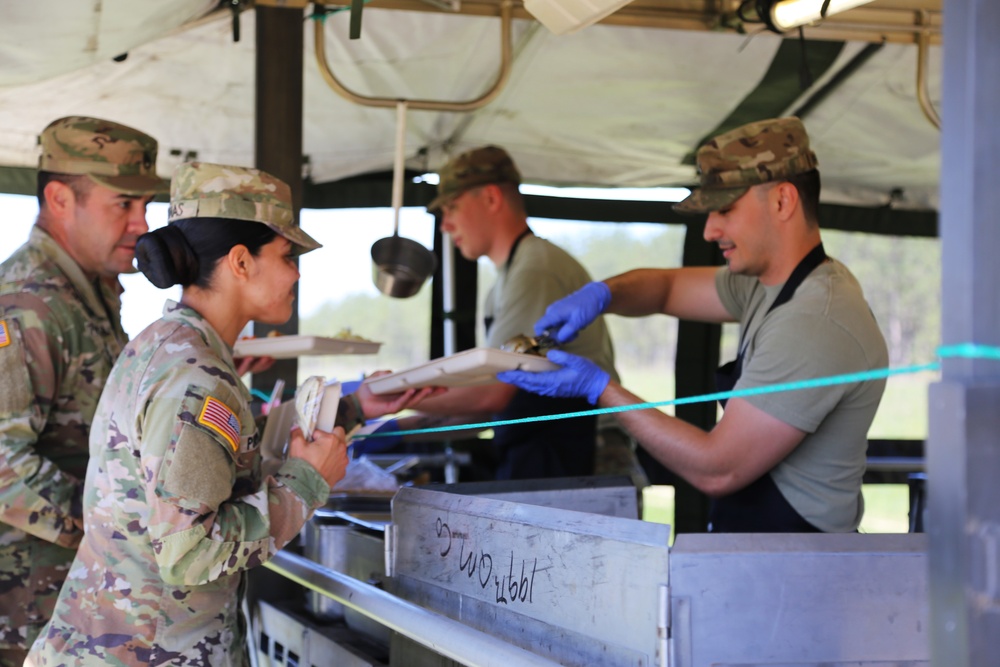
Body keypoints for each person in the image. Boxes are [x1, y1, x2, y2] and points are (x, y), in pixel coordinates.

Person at [26, 162, 437, 666]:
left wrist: (351, 409)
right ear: (240, 262)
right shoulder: (197, 376)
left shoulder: (169, 346)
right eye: (287, 255)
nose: (297, 273)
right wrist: (305, 481)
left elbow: (220, 454)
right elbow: (192, 553)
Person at [499, 117, 889, 533]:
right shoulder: (765, 286)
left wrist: (602, 389)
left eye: (725, 209)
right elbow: (665, 289)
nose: (710, 230)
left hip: (801, 569)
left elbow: (717, 469)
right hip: (762, 554)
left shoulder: (816, 319)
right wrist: (602, 295)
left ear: (782, 201)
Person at [0, 116, 168, 666]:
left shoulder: (85, 294)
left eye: (146, 207)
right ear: (59, 199)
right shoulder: (30, 303)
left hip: (70, 611)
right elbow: (3, 463)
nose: (142, 224)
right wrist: (118, 533)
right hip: (25, 619)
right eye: (123, 204)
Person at [383, 145, 625, 481]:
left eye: (452, 207)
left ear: (492, 199)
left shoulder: (535, 270)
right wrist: (393, 427)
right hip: (549, 450)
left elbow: (492, 394)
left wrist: (392, 393)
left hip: (586, 457)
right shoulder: (504, 283)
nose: (445, 225)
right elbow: (486, 399)